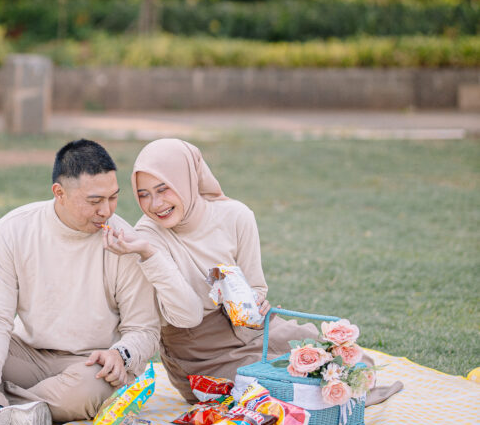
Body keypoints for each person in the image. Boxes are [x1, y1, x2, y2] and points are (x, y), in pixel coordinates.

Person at [103, 138, 401, 406]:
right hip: (199, 352)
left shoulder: (236, 216)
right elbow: (188, 315)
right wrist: (150, 254)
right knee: (281, 390)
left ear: (188, 180)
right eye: (143, 195)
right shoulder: (147, 237)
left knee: (349, 361)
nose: (155, 205)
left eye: (163, 189)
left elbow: (256, 286)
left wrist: (257, 302)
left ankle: (340, 386)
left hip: (250, 329)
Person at [0, 139, 160, 425]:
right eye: (94, 200)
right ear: (59, 193)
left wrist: (121, 354)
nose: (107, 210)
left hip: (86, 366)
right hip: (24, 355)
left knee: (92, 390)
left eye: (114, 197)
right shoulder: (13, 230)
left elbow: (144, 329)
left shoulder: (124, 240)